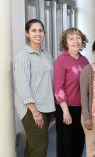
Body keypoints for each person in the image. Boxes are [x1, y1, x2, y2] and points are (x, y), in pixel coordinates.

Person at [13, 19, 56, 157]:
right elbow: (22, 85)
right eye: (34, 30)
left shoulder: (46, 55)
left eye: (40, 30)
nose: (38, 34)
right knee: (39, 147)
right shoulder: (23, 56)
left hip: (46, 106)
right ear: (27, 33)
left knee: (33, 146)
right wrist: (34, 111)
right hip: (32, 108)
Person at [53, 28, 89, 157]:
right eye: (71, 38)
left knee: (79, 143)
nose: (75, 41)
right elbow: (58, 88)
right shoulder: (61, 61)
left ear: (82, 40)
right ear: (65, 42)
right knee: (66, 145)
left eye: (78, 38)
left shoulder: (84, 61)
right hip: (66, 108)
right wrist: (66, 111)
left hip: (82, 109)